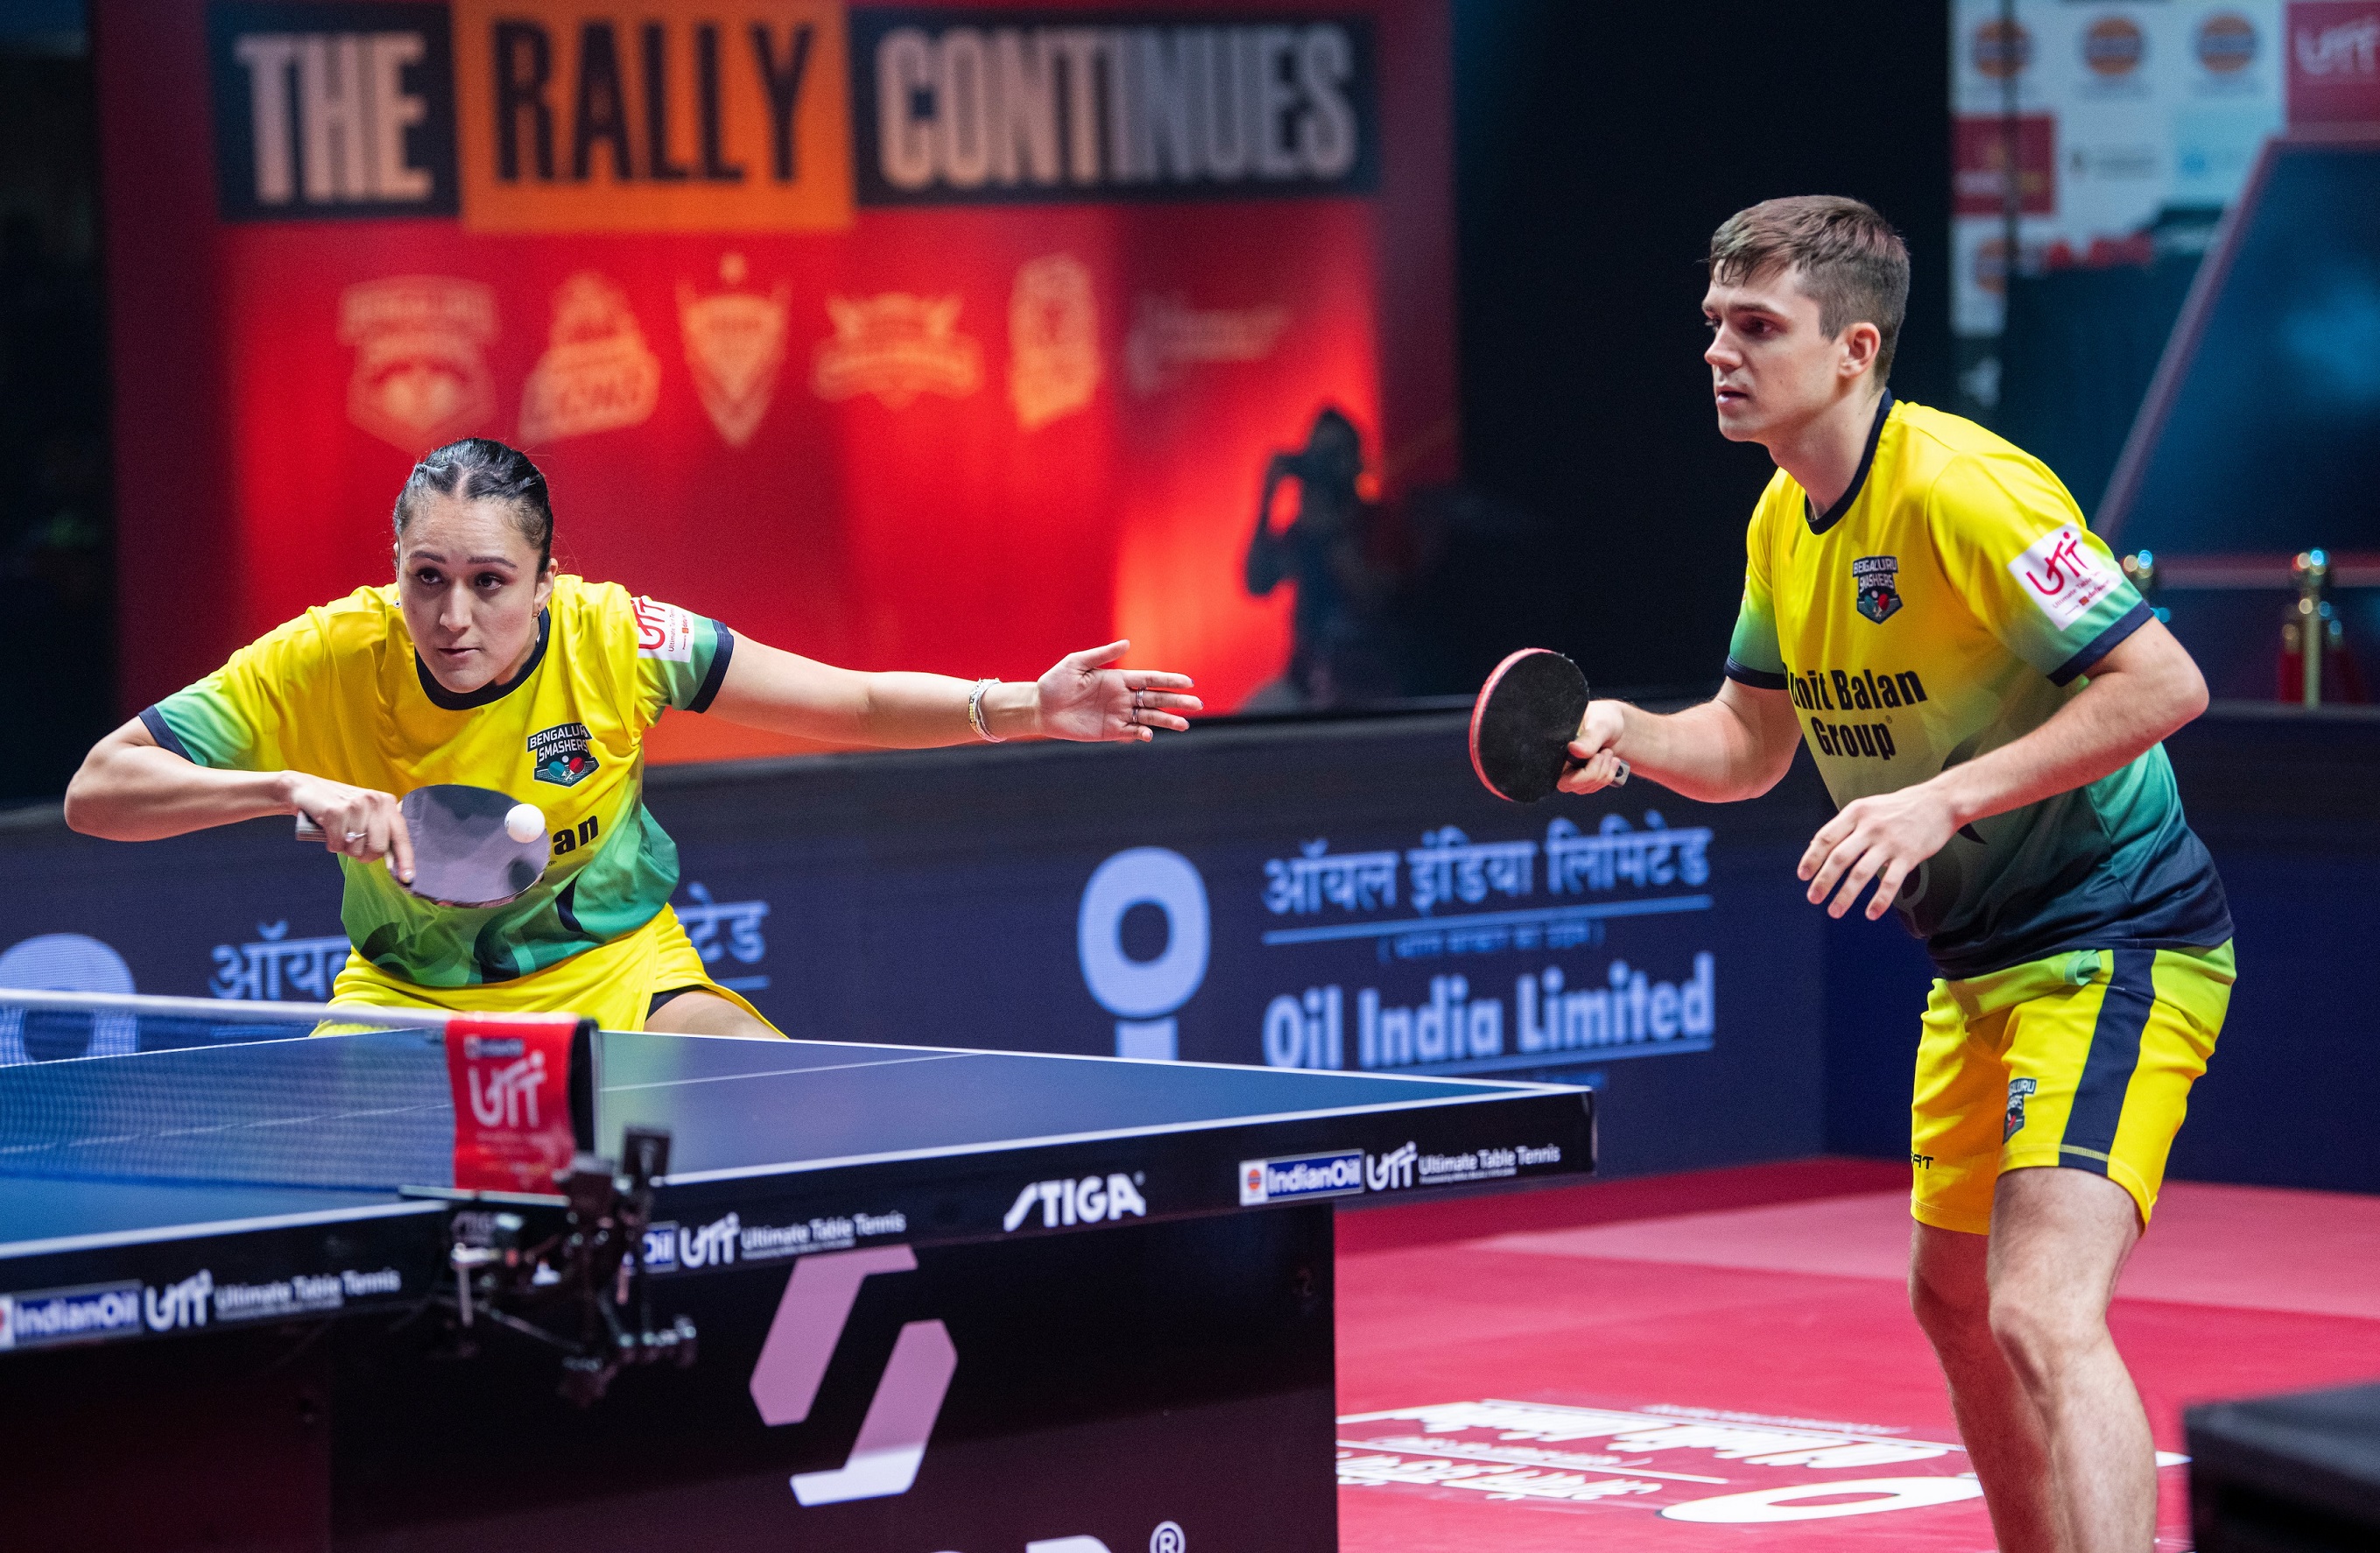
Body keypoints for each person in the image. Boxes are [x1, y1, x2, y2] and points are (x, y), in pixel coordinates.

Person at [1561, 197, 2233, 1553]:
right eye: (1712, 327)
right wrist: (1626, 735)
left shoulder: (1964, 488)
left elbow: (2165, 681)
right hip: (1977, 962)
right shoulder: (1782, 521)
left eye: (1758, 328)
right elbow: (1748, 745)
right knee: (1950, 1304)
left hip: (2118, 932)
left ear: (1854, 347)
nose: (1719, 354)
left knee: (2040, 1309)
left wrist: (1942, 796)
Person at [64, 438, 1201, 1036]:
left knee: (773, 1113)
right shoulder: (322, 658)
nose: (453, 617)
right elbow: (99, 790)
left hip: (619, 973)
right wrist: (283, 788)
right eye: (427, 579)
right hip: (409, 994)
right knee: (344, 1218)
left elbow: (844, 704)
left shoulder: (621, 639)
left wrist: (1022, 708)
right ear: (396, 569)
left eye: (489, 582)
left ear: (546, 581)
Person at [1243, 406, 1401, 707]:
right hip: (1305, 684)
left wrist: (1332, 532)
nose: (1325, 469)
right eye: (1318, 456)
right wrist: (1266, 503)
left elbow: (1373, 599)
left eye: (1335, 455)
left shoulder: (1381, 524)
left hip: (1369, 685)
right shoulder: (1303, 531)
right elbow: (1258, 582)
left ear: (1358, 462)